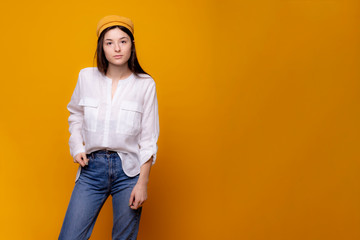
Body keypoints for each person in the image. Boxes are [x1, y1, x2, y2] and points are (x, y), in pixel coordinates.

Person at [58, 15, 159, 240]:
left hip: (129, 171)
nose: (117, 48)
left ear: (132, 45)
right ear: (101, 47)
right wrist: (76, 146)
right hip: (92, 170)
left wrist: (142, 183)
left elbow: (149, 138)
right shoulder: (86, 77)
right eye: (109, 42)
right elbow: (75, 114)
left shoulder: (145, 84)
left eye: (123, 41)